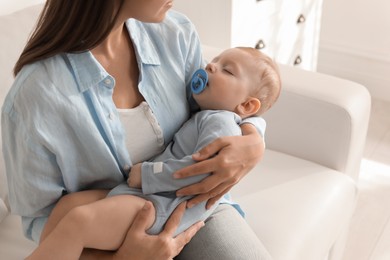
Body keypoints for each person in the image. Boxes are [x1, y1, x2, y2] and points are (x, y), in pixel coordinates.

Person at [2, 1, 272, 259]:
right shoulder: (35, 97)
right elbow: (42, 219)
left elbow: (216, 110)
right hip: (112, 223)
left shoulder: (176, 34)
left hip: (194, 208)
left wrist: (253, 137)